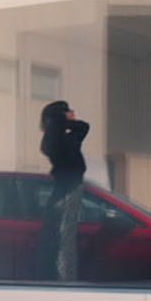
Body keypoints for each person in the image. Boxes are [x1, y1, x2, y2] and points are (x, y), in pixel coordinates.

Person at [37, 99, 90, 281]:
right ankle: (64, 279)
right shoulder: (55, 141)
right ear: (59, 117)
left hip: (69, 191)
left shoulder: (66, 138)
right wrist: (59, 122)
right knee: (64, 239)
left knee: (65, 237)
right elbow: (79, 129)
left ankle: (64, 276)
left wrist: (64, 121)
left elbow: (84, 127)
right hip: (68, 191)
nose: (72, 111)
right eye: (67, 110)